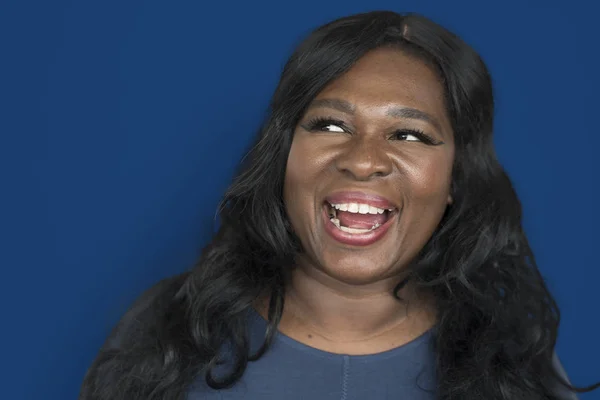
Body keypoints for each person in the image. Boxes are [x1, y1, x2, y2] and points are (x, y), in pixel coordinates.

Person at [79, 10, 599, 400]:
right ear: (284, 157)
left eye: (409, 134)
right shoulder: (166, 330)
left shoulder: (512, 360)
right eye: (330, 125)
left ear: (455, 180)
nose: (364, 160)